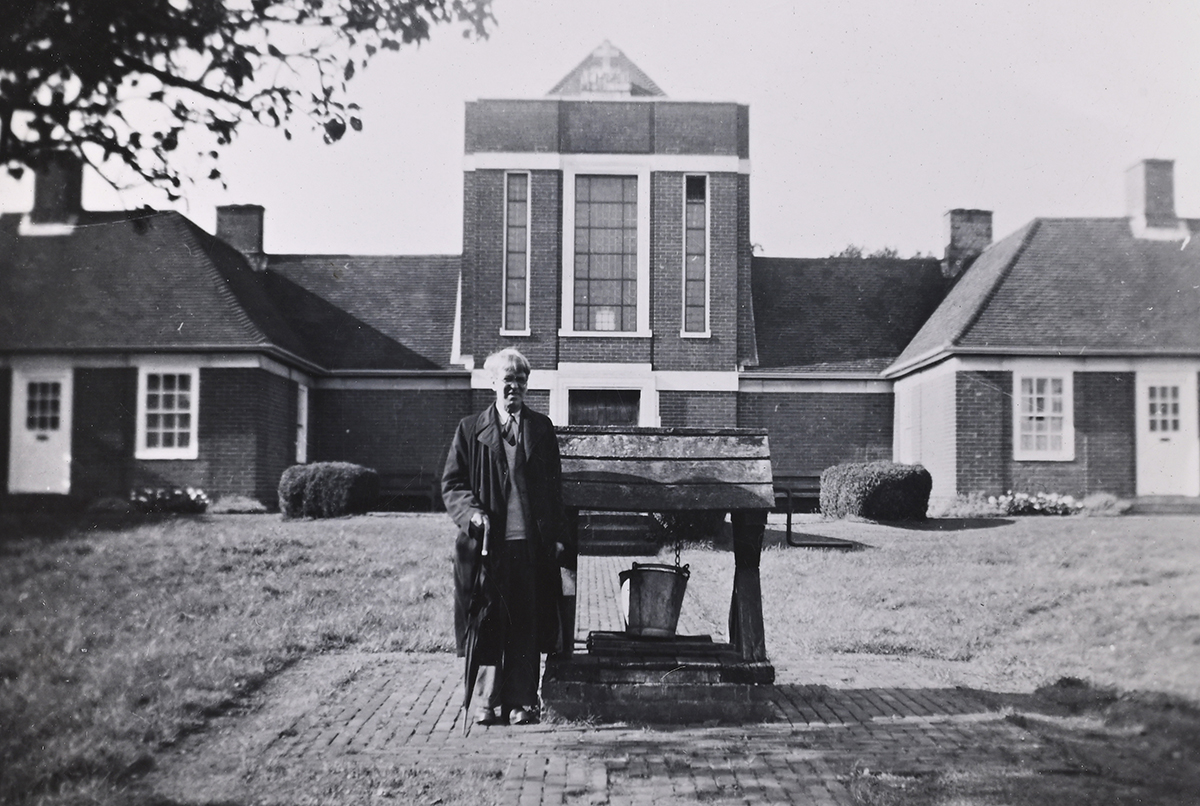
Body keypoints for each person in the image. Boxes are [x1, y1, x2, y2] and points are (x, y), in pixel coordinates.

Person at [442, 348, 571, 726]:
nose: (513, 386)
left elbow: (553, 488)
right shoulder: (470, 429)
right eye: (507, 379)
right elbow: (453, 484)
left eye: (520, 380)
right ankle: (486, 700)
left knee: (525, 623)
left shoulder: (541, 429)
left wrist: (558, 535)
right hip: (488, 549)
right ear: (492, 383)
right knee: (488, 621)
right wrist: (472, 514)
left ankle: (521, 702)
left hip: (530, 546)